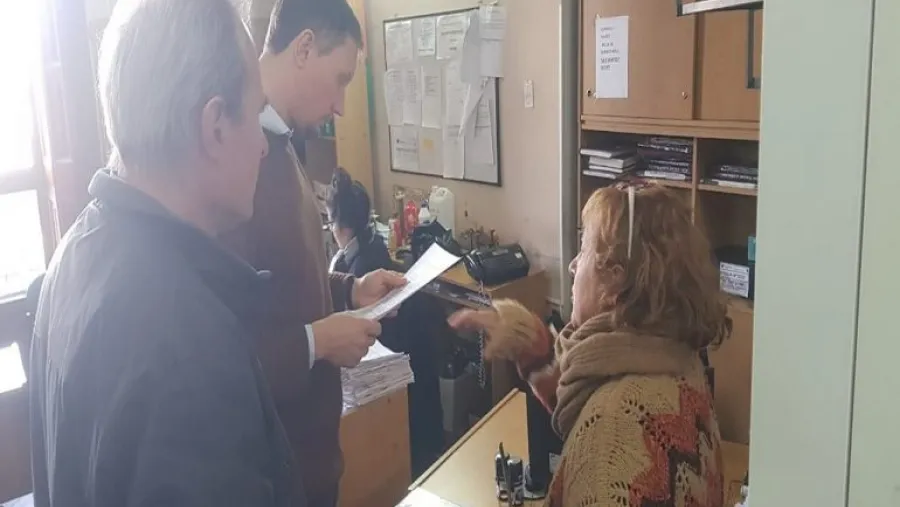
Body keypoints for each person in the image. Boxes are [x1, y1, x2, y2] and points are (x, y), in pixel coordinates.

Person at [29, 0, 302, 505]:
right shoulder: (190, 345)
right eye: (255, 114)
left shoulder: (73, 253)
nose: (264, 146)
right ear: (215, 125)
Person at [219, 1, 405, 505]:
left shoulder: (283, 144)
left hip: (312, 460)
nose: (341, 105)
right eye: (340, 79)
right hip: (277, 469)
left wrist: (350, 290)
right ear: (303, 48)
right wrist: (317, 342)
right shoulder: (242, 159)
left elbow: (281, 281)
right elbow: (223, 342)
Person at [450, 182, 730, 506]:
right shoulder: (677, 361)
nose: (572, 266)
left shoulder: (609, 446)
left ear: (613, 282)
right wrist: (530, 344)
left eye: (583, 249)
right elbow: (590, 400)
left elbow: (610, 426)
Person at [326, 168, 445, 475]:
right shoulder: (370, 249)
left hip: (396, 386)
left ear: (338, 225)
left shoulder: (361, 266)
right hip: (414, 382)